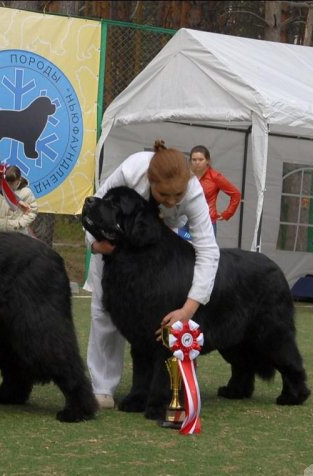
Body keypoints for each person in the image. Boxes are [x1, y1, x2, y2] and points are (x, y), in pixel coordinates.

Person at [84, 139, 220, 409]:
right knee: (103, 311)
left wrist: (189, 308)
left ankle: (158, 389)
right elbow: (96, 209)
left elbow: (207, 251)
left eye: (176, 197)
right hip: (114, 248)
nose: (171, 201)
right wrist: (95, 245)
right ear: (149, 181)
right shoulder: (131, 170)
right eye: (163, 196)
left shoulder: (192, 192)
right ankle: (102, 388)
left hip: (159, 246)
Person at [188, 145, 241, 235]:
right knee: (182, 248)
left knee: (204, 249)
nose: (197, 162)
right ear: (190, 161)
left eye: (201, 159)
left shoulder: (215, 176)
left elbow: (236, 194)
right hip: (186, 222)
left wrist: (227, 213)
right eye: (194, 159)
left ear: (207, 161)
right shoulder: (185, 175)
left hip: (207, 223)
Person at [0, 165, 38, 233]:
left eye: (12, 183)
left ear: (18, 180)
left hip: (17, 233)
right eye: (7, 182)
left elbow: (32, 211)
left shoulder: (26, 192)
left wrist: (20, 224)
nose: (9, 185)